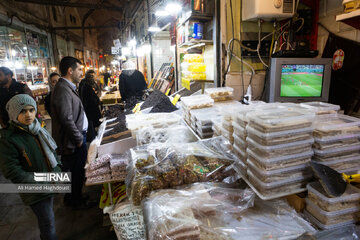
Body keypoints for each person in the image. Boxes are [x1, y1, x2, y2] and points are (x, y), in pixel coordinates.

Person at [0, 94, 61, 240]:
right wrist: (39, 182)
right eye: (22, 111)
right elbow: (12, 171)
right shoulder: (9, 139)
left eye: (31, 110)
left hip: (50, 182)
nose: (28, 114)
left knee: (48, 219)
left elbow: (51, 152)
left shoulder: (38, 129)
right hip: (35, 188)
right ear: (14, 114)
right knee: (48, 223)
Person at [51, 56, 90, 209]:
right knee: (76, 172)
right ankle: (76, 202)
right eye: (79, 69)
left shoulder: (67, 87)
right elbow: (66, 119)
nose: (81, 73)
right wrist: (79, 139)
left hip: (75, 138)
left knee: (75, 172)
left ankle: (74, 197)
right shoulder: (62, 89)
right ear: (70, 70)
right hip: (73, 141)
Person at [79, 70, 102, 142]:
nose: (94, 77)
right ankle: (93, 141)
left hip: (87, 108)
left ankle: (92, 137)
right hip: (90, 108)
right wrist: (97, 100)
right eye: (93, 76)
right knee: (91, 124)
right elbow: (92, 98)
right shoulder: (87, 85)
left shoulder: (84, 83)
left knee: (90, 123)